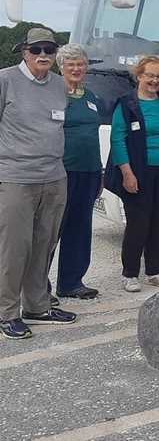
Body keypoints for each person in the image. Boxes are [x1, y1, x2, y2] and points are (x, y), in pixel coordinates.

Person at [0, 27, 77, 340]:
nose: (43, 55)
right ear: (24, 52)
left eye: (49, 49)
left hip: (54, 178)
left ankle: (37, 306)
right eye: (36, 50)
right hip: (16, 179)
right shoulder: (5, 80)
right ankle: (6, 313)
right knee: (13, 249)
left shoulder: (60, 85)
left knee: (44, 245)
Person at [106, 56, 159, 292]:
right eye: (150, 75)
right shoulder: (127, 103)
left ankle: (154, 271)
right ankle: (129, 274)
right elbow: (117, 139)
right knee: (138, 222)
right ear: (139, 76)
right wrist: (127, 173)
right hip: (138, 171)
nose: (154, 80)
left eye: (158, 76)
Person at [49, 44, 104, 299]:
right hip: (61, 171)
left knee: (80, 228)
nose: (76, 68)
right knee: (51, 230)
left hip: (89, 170)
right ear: (60, 67)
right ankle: (40, 288)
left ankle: (71, 282)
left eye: (80, 64)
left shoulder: (91, 97)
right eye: (70, 64)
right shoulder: (52, 95)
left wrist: (100, 172)